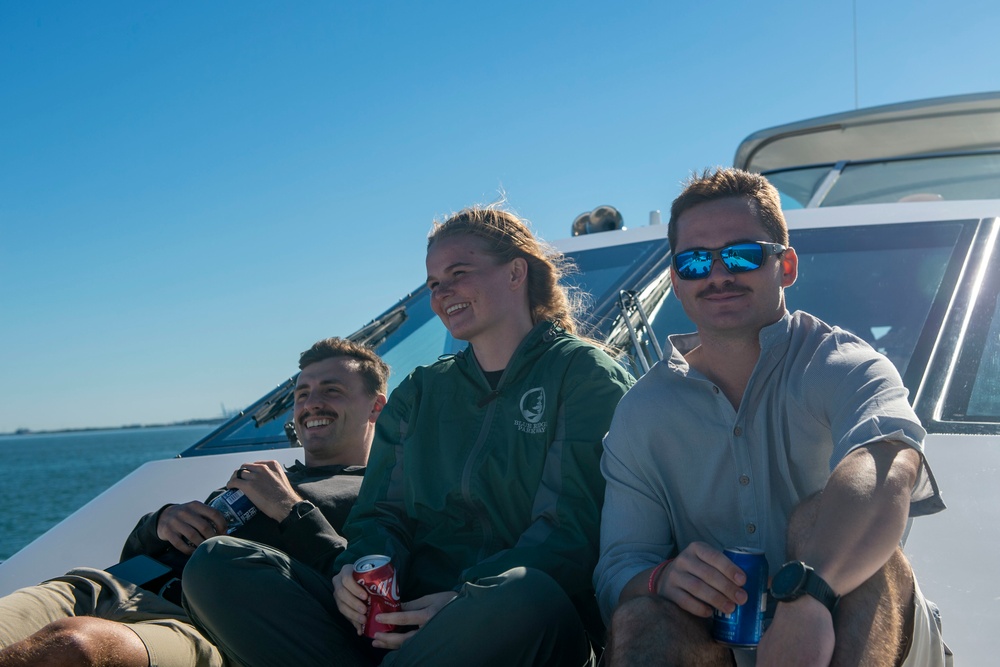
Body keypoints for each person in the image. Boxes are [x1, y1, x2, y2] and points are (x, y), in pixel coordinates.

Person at [182, 206, 635, 667]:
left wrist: (461, 599)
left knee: (525, 592)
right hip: (404, 617)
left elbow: (571, 533)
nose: (443, 294)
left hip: (513, 619)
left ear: (516, 272)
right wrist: (356, 574)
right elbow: (380, 515)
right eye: (435, 283)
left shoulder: (584, 376)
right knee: (218, 563)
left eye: (459, 273)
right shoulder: (421, 391)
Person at [594, 168, 952, 666]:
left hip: (865, 639)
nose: (718, 275)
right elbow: (618, 567)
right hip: (721, 645)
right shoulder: (642, 412)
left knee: (821, 524)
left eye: (742, 255)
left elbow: (887, 463)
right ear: (676, 281)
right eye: (695, 262)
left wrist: (810, 597)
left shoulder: (845, 365)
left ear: (785, 267)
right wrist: (663, 578)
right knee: (642, 614)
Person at [0, 337, 388, 667]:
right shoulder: (265, 475)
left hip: (201, 625)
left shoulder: (381, 493)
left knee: (74, 647)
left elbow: (359, 587)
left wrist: (290, 510)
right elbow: (137, 552)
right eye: (302, 394)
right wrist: (161, 522)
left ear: (376, 407)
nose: (311, 403)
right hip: (110, 585)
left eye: (331, 391)